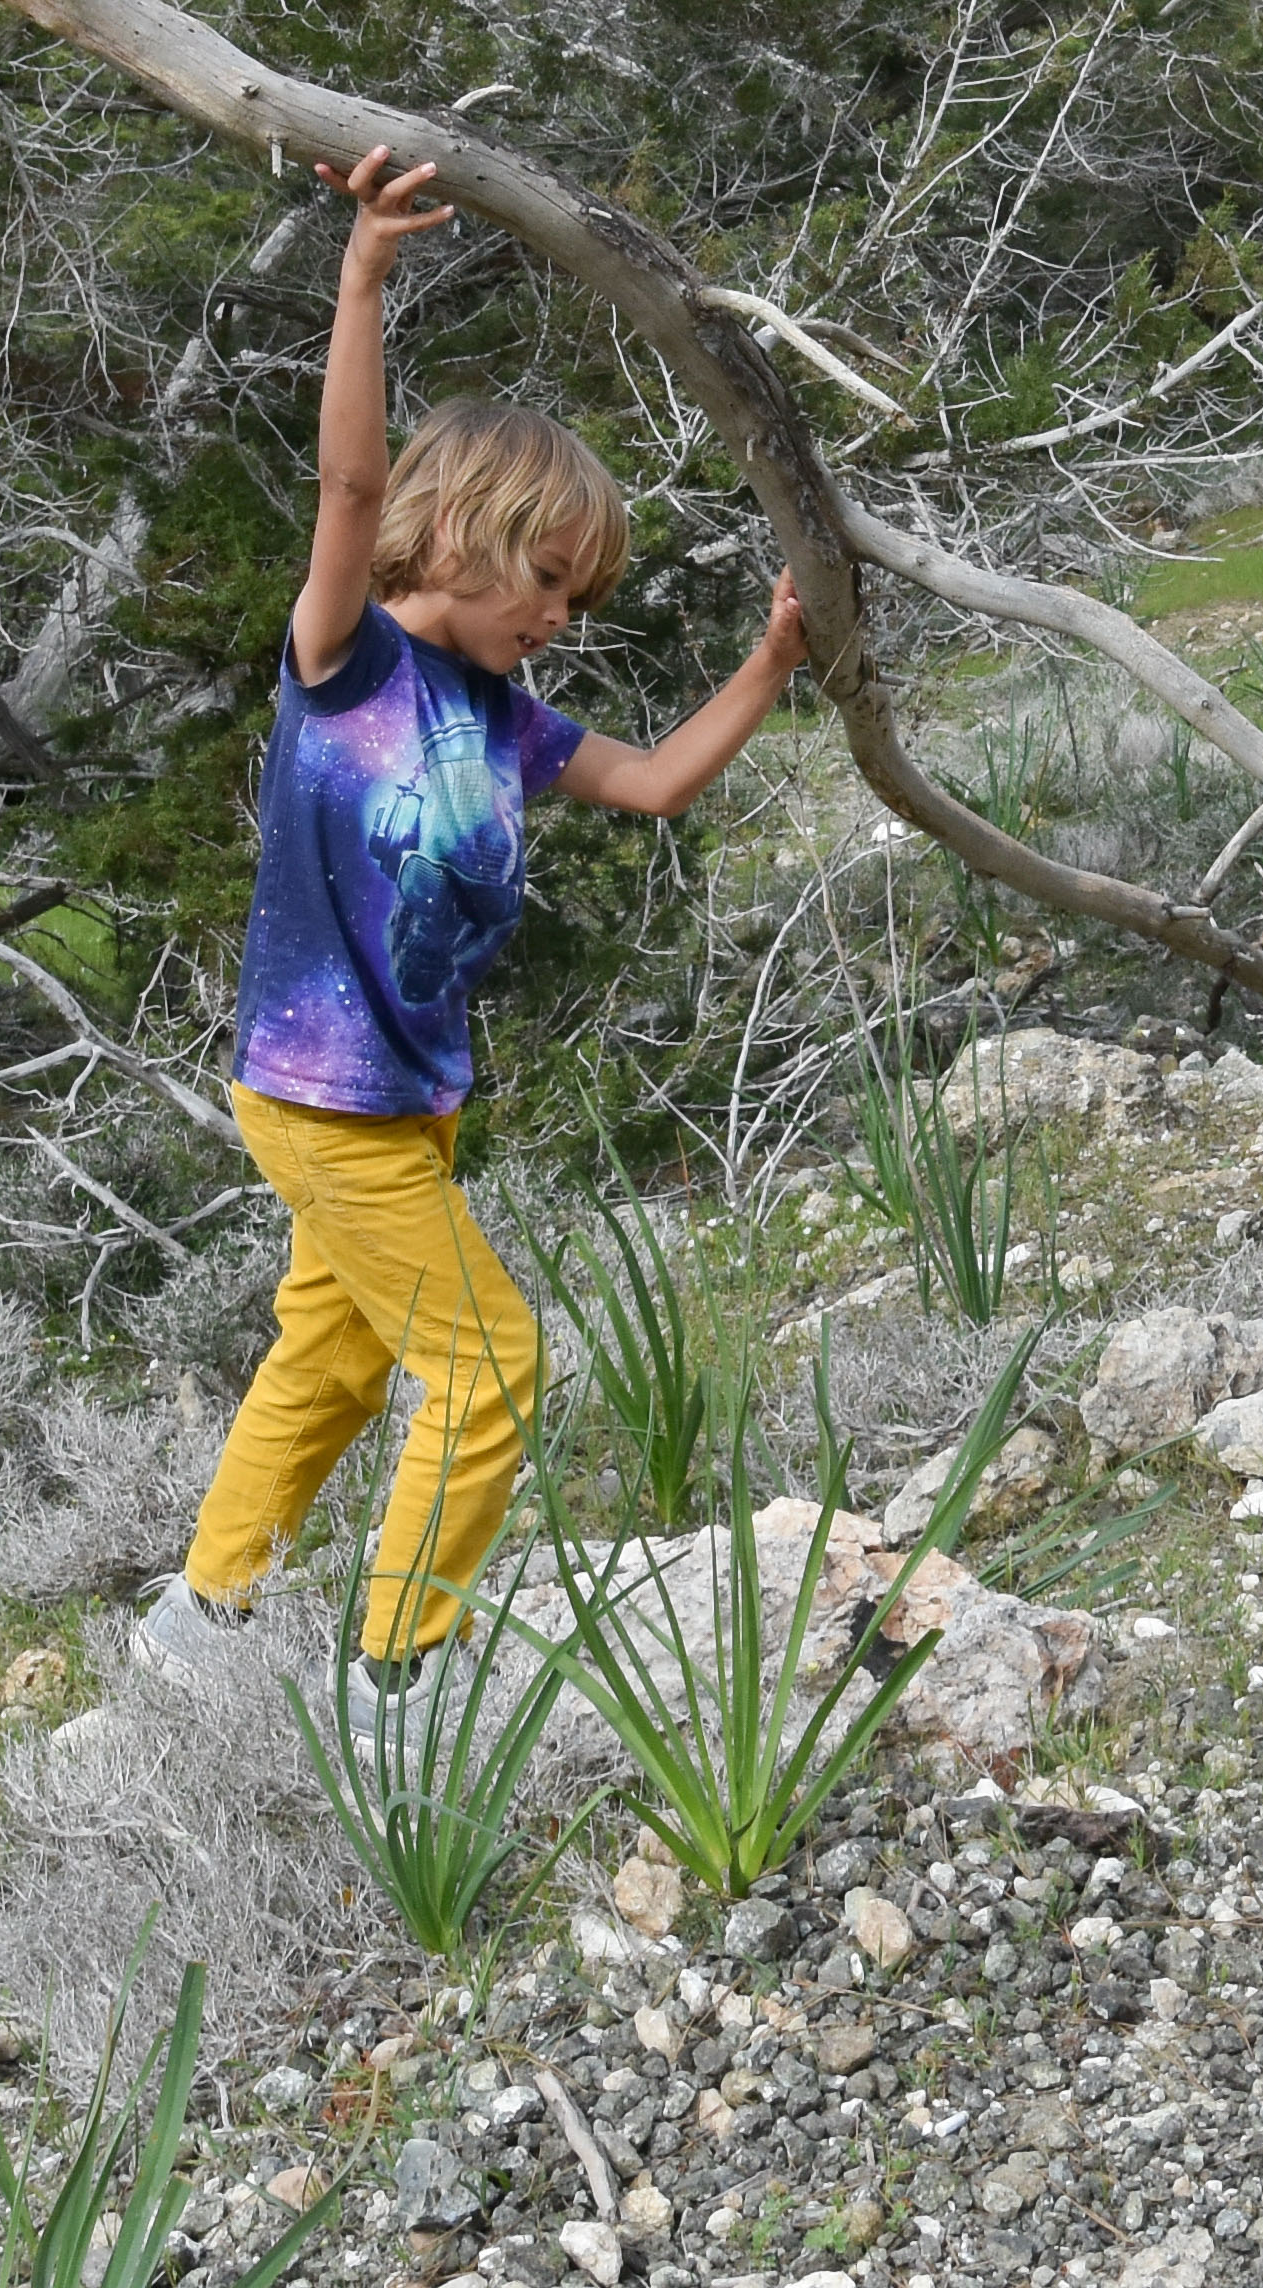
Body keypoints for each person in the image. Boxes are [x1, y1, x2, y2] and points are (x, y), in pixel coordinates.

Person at [139, 140, 805, 1716]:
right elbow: (349, 485)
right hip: (319, 1095)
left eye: (581, 595)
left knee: (338, 1355)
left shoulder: (507, 718)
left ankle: (198, 1622)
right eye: (550, 580)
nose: (561, 615)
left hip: (406, 1110)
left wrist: (773, 668)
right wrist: (363, 277)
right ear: (460, 535)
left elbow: (645, 784)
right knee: (492, 1366)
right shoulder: (346, 660)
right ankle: (398, 1681)